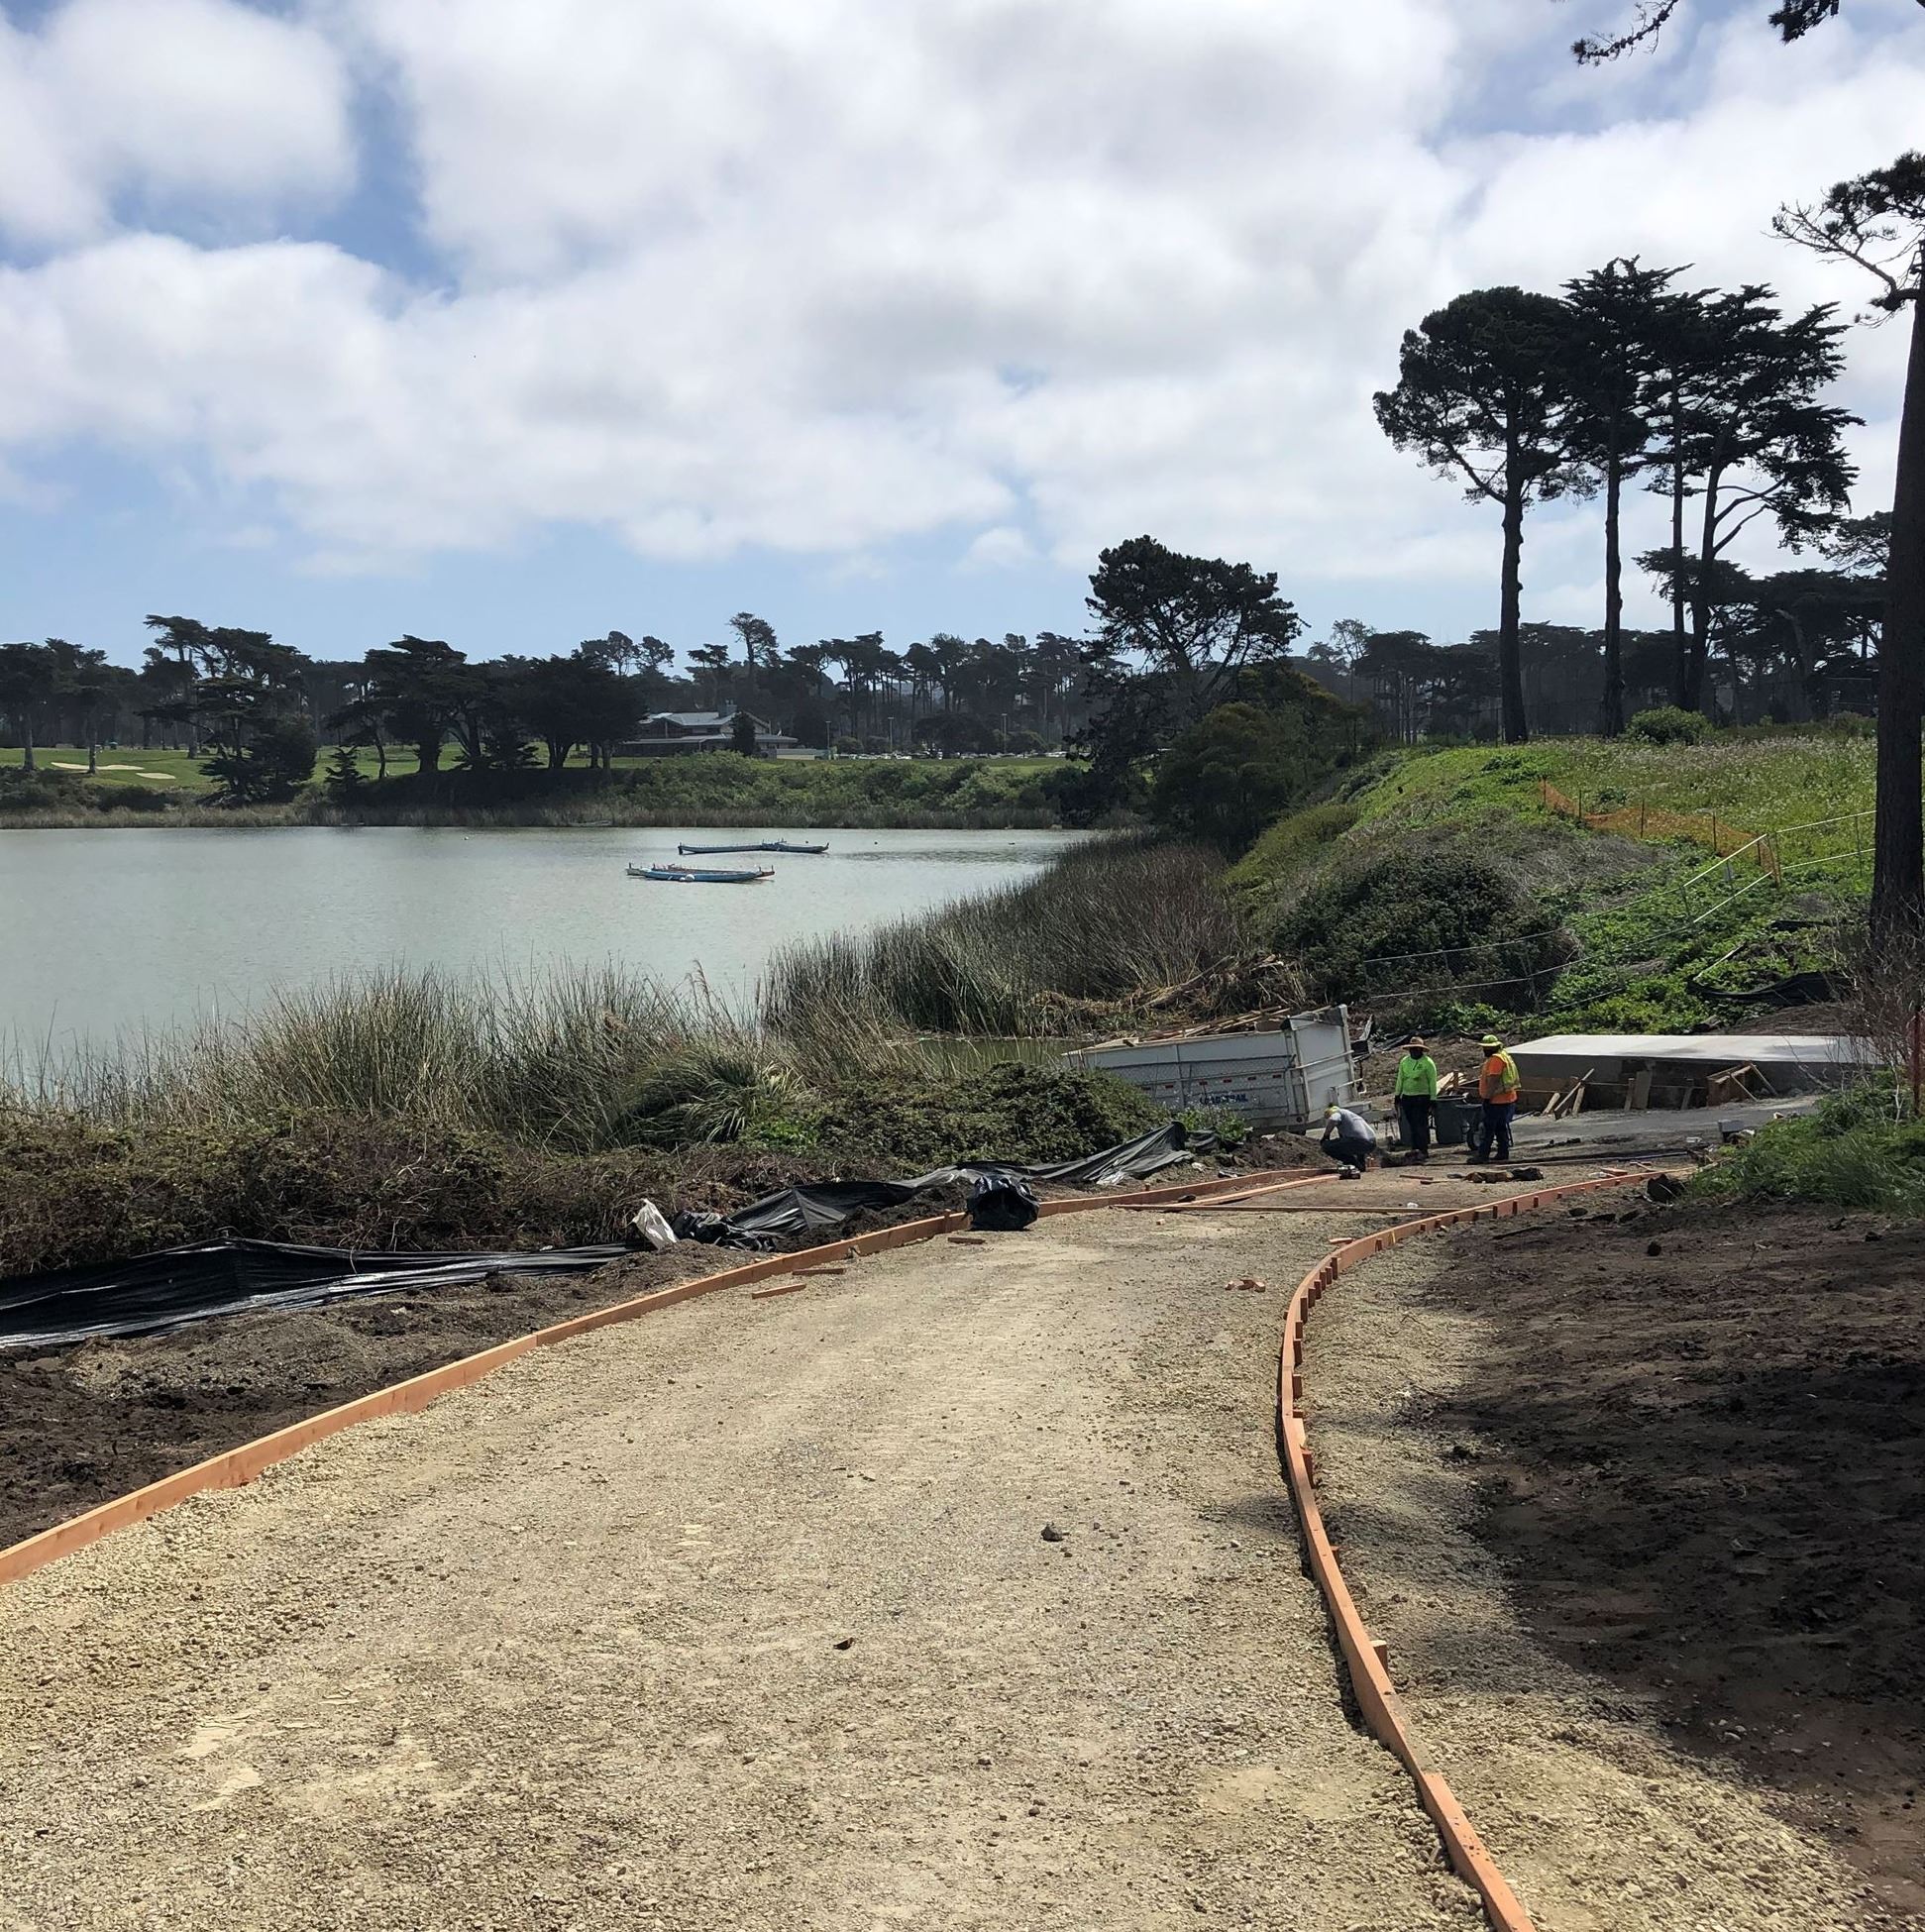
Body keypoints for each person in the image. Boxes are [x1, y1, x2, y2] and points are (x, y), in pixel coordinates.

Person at [1468, 1031, 1521, 1163]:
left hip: (1496, 1100)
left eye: (1486, 1048)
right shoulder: (1504, 1056)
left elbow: (1493, 1080)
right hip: (1506, 1098)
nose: (1484, 1050)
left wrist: (1487, 1097)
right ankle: (1503, 1152)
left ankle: (1483, 1155)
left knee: (1488, 1128)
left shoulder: (1495, 1060)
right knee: (1500, 1127)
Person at [1392, 1035, 1439, 1162]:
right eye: (1412, 1049)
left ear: (1421, 1050)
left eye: (1416, 1049)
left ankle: (1423, 1150)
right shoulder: (1404, 1062)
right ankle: (1415, 1149)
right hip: (1407, 1097)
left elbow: (1432, 1082)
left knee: (1420, 1124)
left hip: (1422, 1097)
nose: (1414, 1051)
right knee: (1412, 1125)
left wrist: (1433, 1099)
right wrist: (1397, 1095)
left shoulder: (1428, 1063)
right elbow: (1400, 1079)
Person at [1320, 1102, 1376, 1170]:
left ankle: (1354, 1164)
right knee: (1351, 1142)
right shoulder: (1351, 1116)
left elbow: (1333, 1120)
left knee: (1326, 1146)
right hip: (1371, 1144)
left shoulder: (1338, 1113)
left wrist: (1326, 1135)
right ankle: (1361, 1165)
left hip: (1359, 1141)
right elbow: (1360, 1136)